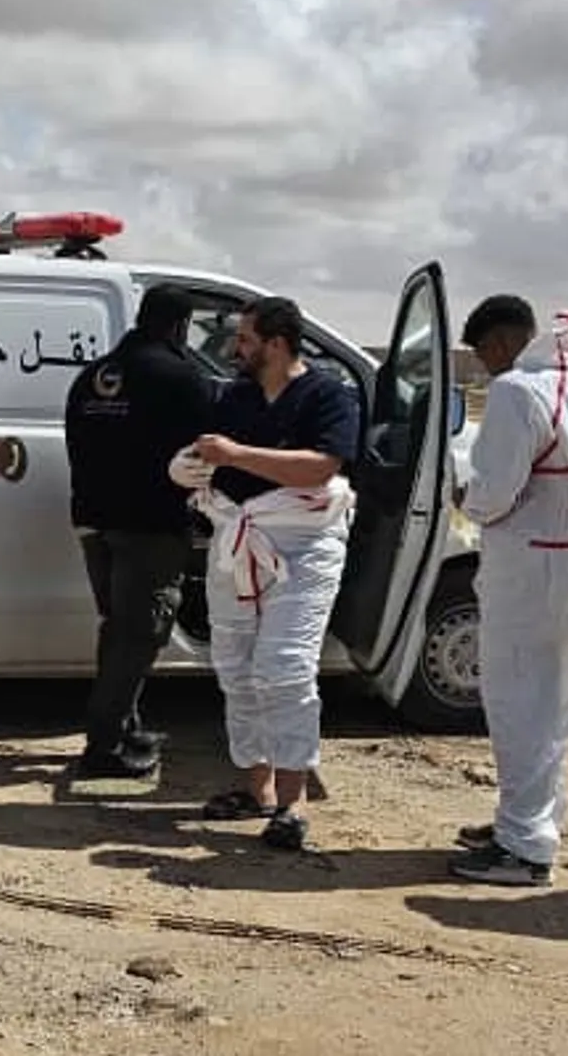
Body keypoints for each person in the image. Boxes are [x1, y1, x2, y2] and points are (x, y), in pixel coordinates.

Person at [170, 295, 359, 850]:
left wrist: (235, 455)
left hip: (304, 548)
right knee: (236, 667)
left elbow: (320, 468)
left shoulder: (328, 395)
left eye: (246, 339)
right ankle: (258, 789)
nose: (236, 348)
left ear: (276, 344)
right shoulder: (236, 398)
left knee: (286, 668)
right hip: (237, 542)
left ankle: (294, 803)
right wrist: (188, 467)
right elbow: (209, 456)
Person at [450, 296, 568, 887]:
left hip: (530, 569)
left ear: (500, 344)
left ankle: (523, 847)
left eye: (482, 355)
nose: (484, 368)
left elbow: (491, 493)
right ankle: (528, 819)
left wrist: (463, 497)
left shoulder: (515, 392)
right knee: (551, 701)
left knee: (518, 703)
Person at [63, 282, 217, 778]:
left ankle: (125, 726)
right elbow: (206, 451)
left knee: (118, 628)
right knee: (138, 635)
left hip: (93, 521)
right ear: (180, 326)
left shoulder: (92, 376)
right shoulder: (181, 377)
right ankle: (103, 749)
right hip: (150, 526)